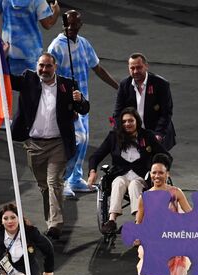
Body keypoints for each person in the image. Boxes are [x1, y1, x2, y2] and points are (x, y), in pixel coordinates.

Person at [10, 53, 90, 239]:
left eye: (48, 66)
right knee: (44, 186)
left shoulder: (68, 85)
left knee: (54, 183)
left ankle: (55, 225)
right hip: (34, 145)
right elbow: (6, 78)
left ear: (55, 67)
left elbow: (84, 109)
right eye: (41, 65)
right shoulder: (28, 79)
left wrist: (80, 100)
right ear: (37, 66)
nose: (44, 70)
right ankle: (51, 221)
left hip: (58, 144)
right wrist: (2, 55)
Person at [47, 10, 119, 196]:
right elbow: (47, 75)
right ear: (63, 25)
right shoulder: (56, 47)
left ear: (80, 24)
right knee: (77, 139)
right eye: (67, 24)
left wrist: (118, 87)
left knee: (84, 139)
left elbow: (98, 69)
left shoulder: (84, 44)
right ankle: (61, 181)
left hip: (82, 102)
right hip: (66, 104)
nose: (71, 28)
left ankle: (75, 178)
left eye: (74, 24)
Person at [133, 153, 192, 275]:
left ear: (168, 174)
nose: (157, 176)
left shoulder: (175, 193)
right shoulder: (145, 197)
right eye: (154, 173)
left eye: (161, 173)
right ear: (150, 174)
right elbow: (139, 222)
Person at [87, 107, 171, 234]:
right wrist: (92, 172)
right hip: (120, 175)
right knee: (118, 182)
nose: (127, 124)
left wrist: (163, 170)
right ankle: (111, 220)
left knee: (134, 184)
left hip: (142, 177)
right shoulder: (114, 137)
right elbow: (95, 156)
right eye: (124, 121)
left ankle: (139, 221)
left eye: (130, 121)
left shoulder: (147, 136)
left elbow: (166, 156)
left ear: (137, 121)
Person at [113, 53, 176, 151]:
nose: (135, 71)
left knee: (157, 165)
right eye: (132, 68)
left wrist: (158, 135)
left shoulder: (161, 84)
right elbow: (118, 113)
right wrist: (121, 133)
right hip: (134, 135)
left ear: (146, 66)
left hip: (157, 133)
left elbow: (166, 113)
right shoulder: (124, 85)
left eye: (139, 67)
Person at [0, 0, 60, 74]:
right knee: (31, 83)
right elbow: (48, 24)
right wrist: (56, 11)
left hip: (8, 51)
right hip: (31, 53)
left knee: (10, 83)